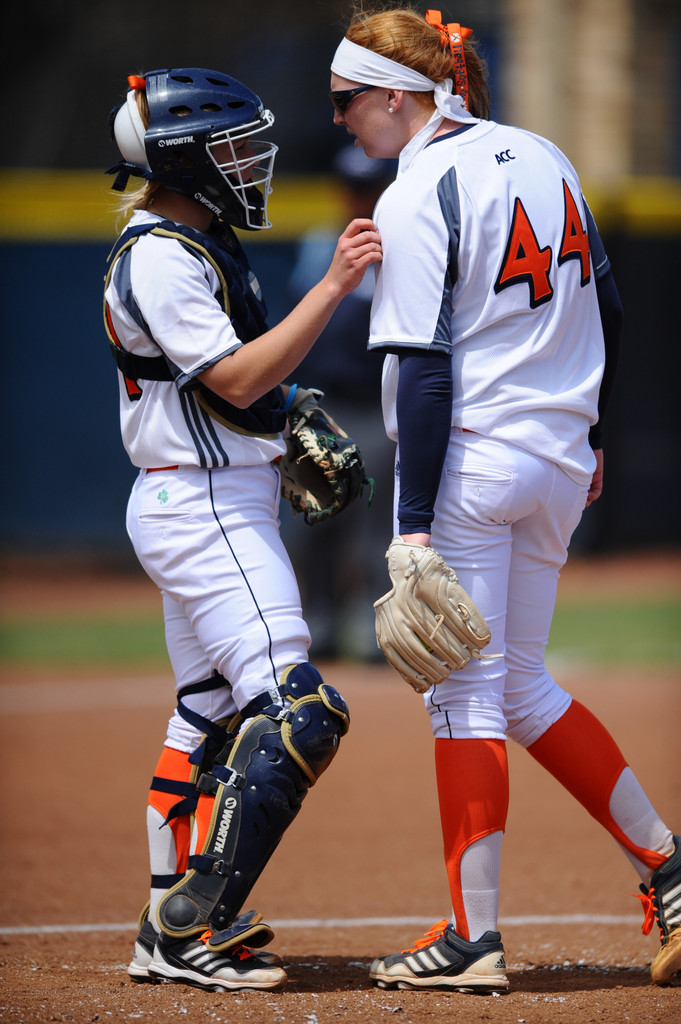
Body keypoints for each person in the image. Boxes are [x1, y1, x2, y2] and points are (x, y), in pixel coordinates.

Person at [328, 6, 681, 993]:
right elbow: (607, 299)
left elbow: (429, 369)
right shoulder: (543, 152)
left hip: (476, 460)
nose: (343, 121)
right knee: (519, 682)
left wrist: (408, 529)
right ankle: (669, 861)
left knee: (463, 696)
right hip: (560, 458)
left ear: (399, 97)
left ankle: (470, 939)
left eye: (348, 101)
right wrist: (596, 431)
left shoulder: (412, 193)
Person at [103, 66, 381, 992]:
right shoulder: (160, 255)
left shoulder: (192, 239)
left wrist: (292, 408)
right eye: (231, 146)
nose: (249, 160)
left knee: (207, 714)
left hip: (203, 496)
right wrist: (336, 284)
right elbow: (231, 381)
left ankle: (162, 922)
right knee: (301, 711)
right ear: (185, 157)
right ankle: (193, 924)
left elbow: (242, 392)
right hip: (204, 505)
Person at [284, 144, 396, 660]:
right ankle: (321, 624)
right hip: (324, 407)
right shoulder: (318, 246)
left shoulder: (403, 245)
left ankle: (377, 629)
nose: (360, 198)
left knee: (378, 526)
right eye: (353, 188)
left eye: (369, 188)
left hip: (380, 409)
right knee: (316, 523)